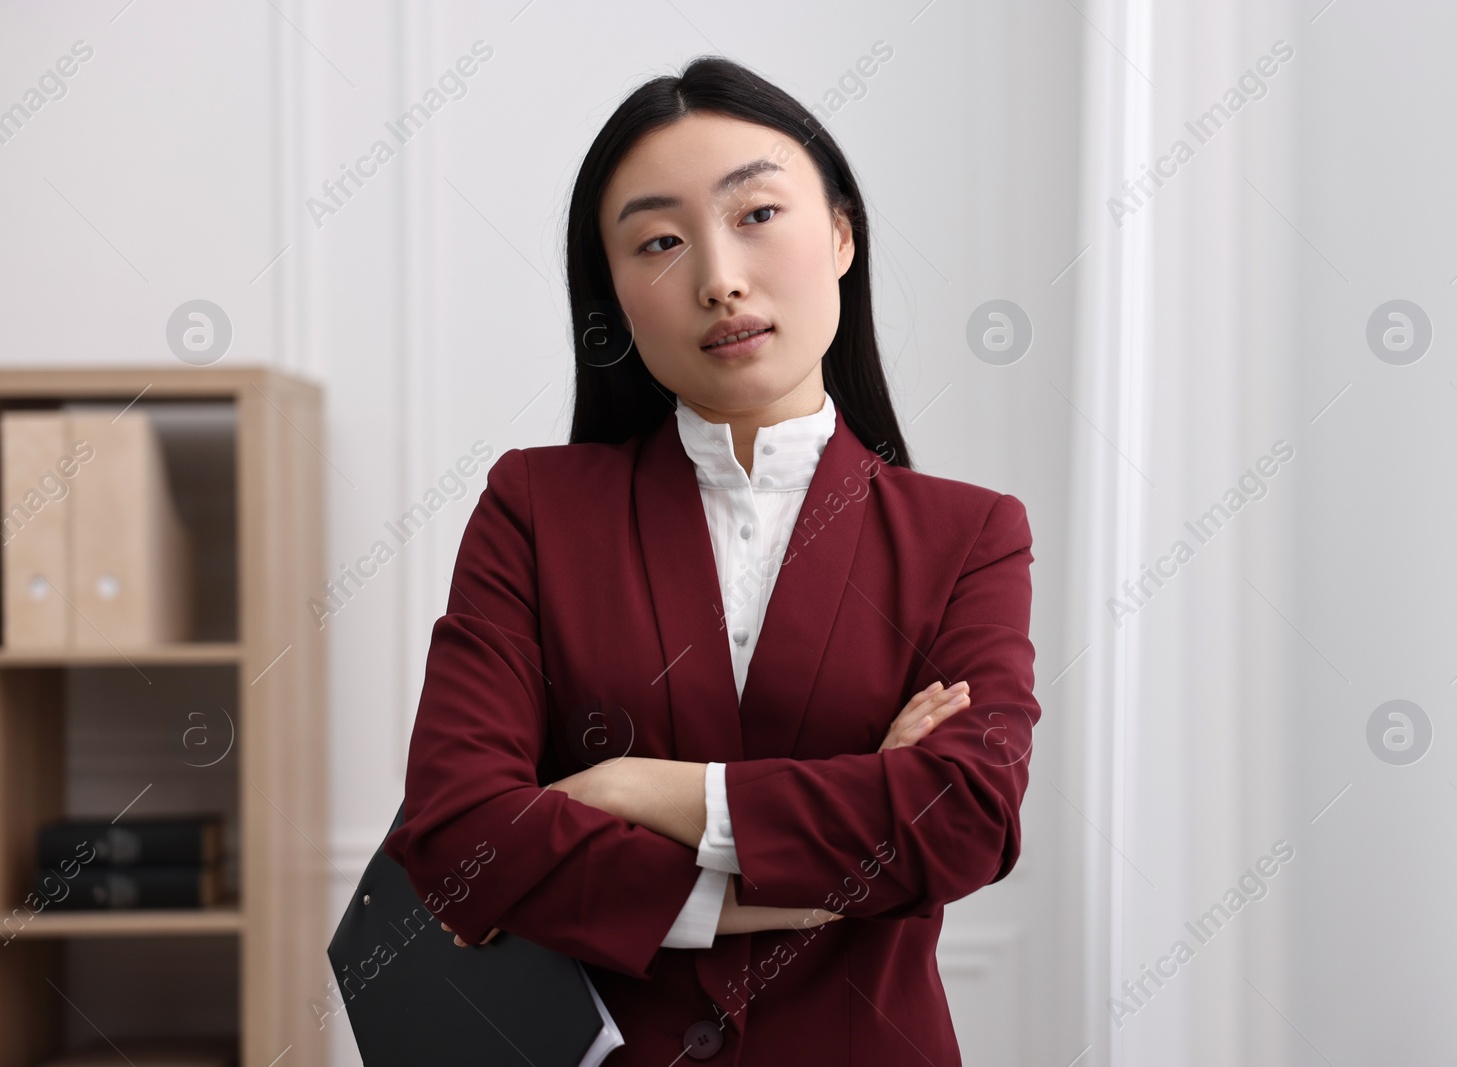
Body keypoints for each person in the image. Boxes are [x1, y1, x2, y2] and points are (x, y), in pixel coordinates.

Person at [381, 54, 1039, 1065]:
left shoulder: (967, 534)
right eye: (659, 240)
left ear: (840, 232)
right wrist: (751, 884)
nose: (718, 277)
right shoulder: (534, 508)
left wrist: (635, 786)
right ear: (612, 292)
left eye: (757, 215)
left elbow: (964, 822)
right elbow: (460, 830)